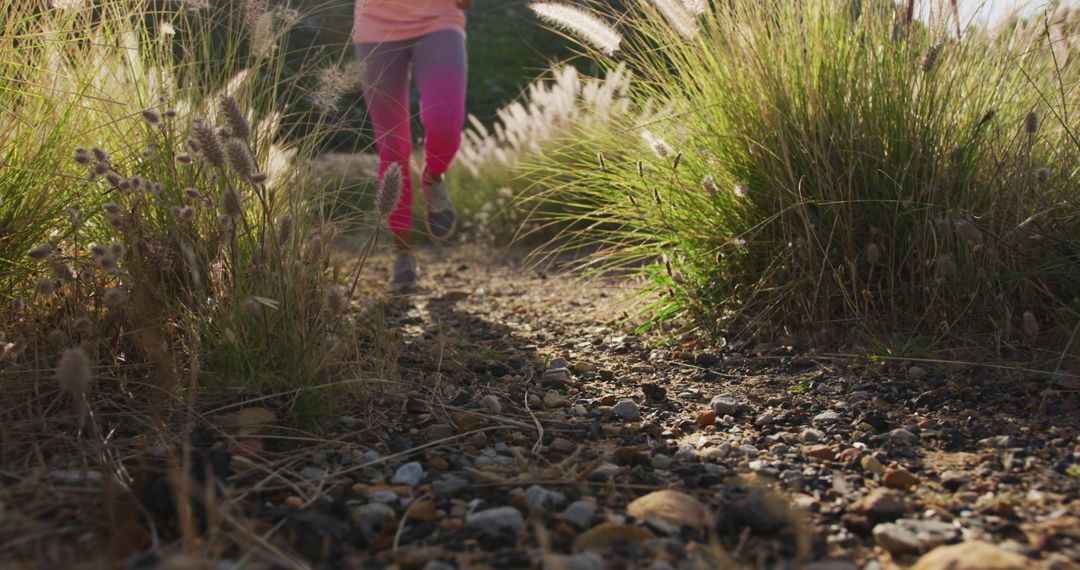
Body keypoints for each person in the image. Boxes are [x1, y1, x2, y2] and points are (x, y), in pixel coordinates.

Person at [353, 0, 471, 289]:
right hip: (375, 25)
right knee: (392, 148)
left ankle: (432, 176)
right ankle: (403, 254)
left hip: (438, 20)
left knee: (445, 123)